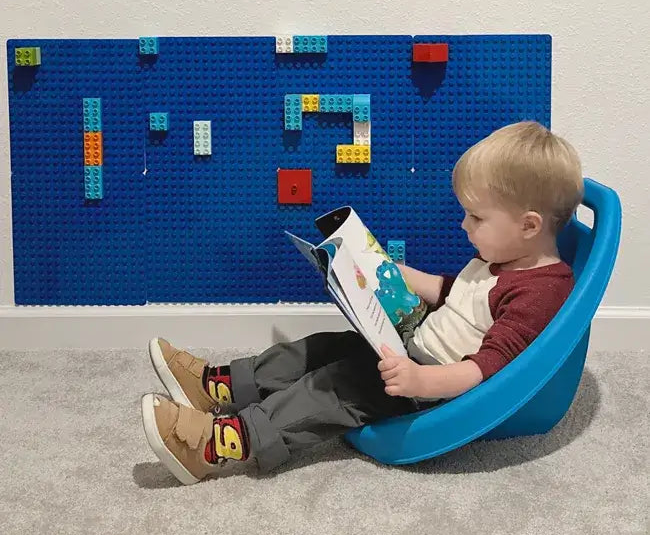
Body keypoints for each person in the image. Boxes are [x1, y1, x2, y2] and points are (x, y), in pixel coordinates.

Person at [141, 121, 584, 485]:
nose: (463, 223)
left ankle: (219, 445)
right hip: (413, 349)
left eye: (477, 217)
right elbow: (455, 293)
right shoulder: (503, 257)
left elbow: (485, 370)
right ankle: (220, 387)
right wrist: (386, 269)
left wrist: (419, 382)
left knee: (334, 389)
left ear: (529, 226)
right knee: (325, 347)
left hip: (432, 389)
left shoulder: (540, 292)